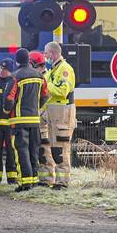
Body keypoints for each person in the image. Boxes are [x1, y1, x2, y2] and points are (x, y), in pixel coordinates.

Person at [6, 49, 47, 192]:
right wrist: (38, 107)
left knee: (21, 150)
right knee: (33, 150)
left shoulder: (15, 76)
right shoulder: (39, 76)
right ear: (29, 60)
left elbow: (9, 99)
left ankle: (25, 183)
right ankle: (34, 180)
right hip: (35, 120)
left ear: (17, 61)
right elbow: (45, 95)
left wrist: (7, 111)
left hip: (19, 121)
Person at [42, 42, 77, 190]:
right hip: (53, 111)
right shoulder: (53, 69)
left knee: (61, 147)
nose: (45, 56)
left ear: (53, 53)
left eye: (46, 53)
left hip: (62, 112)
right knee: (51, 146)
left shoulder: (64, 69)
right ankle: (52, 180)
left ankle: (62, 182)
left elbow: (62, 91)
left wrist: (46, 84)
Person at [0, 59, 18, 185]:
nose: (2, 71)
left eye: (5, 69)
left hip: (10, 123)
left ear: (10, 71)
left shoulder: (14, 82)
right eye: (1, 68)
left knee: (11, 150)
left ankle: (12, 177)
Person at [29, 51, 54, 186]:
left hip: (42, 117)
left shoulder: (42, 78)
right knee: (40, 148)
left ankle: (47, 179)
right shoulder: (43, 76)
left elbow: (44, 97)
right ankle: (43, 178)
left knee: (44, 148)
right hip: (41, 116)